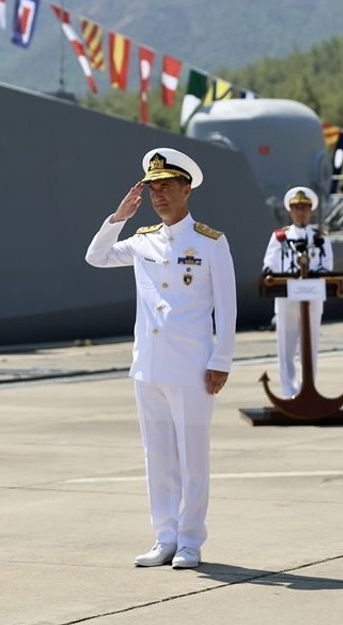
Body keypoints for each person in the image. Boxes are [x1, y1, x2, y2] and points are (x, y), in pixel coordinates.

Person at [84, 148, 236, 570]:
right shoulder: (143, 238)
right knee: (158, 457)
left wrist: (221, 359)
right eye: (152, 187)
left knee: (192, 457)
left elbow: (226, 306)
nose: (158, 194)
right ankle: (164, 536)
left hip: (192, 366)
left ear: (187, 189)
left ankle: (190, 540)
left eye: (166, 186)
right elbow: (95, 257)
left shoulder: (210, 242)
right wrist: (118, 218)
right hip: (148, 364)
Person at [262, 186, 334, 399]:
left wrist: (314, 276)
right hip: (286, 297)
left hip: (312, 297)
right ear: (290, 211)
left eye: (304, 207)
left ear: (311, 210)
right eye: (296, 207)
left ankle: (308, 389)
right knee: (286, 345)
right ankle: (288, 392)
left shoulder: (321, 237)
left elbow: (328, 265)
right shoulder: (280, 237)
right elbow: (269, 264)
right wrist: (274, 276)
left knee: (310, 346)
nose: (300, 212)